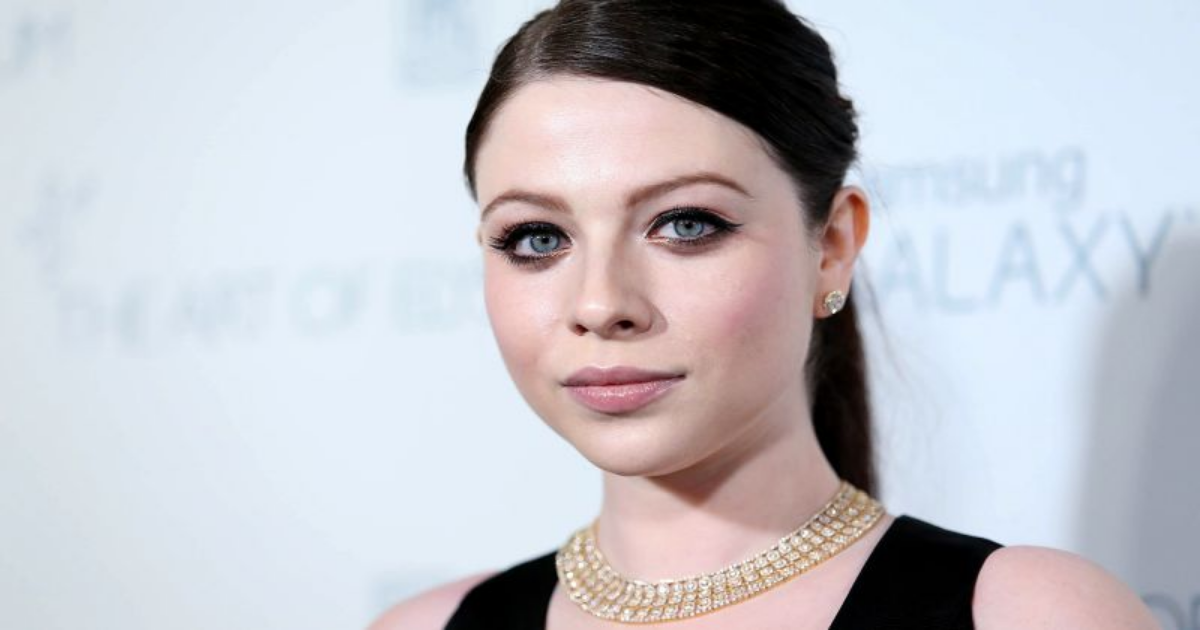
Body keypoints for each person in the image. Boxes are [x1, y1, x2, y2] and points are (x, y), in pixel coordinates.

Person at [372, 1, 1157, 628]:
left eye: (686, 224)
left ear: (833, 246)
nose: (601, 304)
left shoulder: (1029, 614)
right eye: (537, 237)